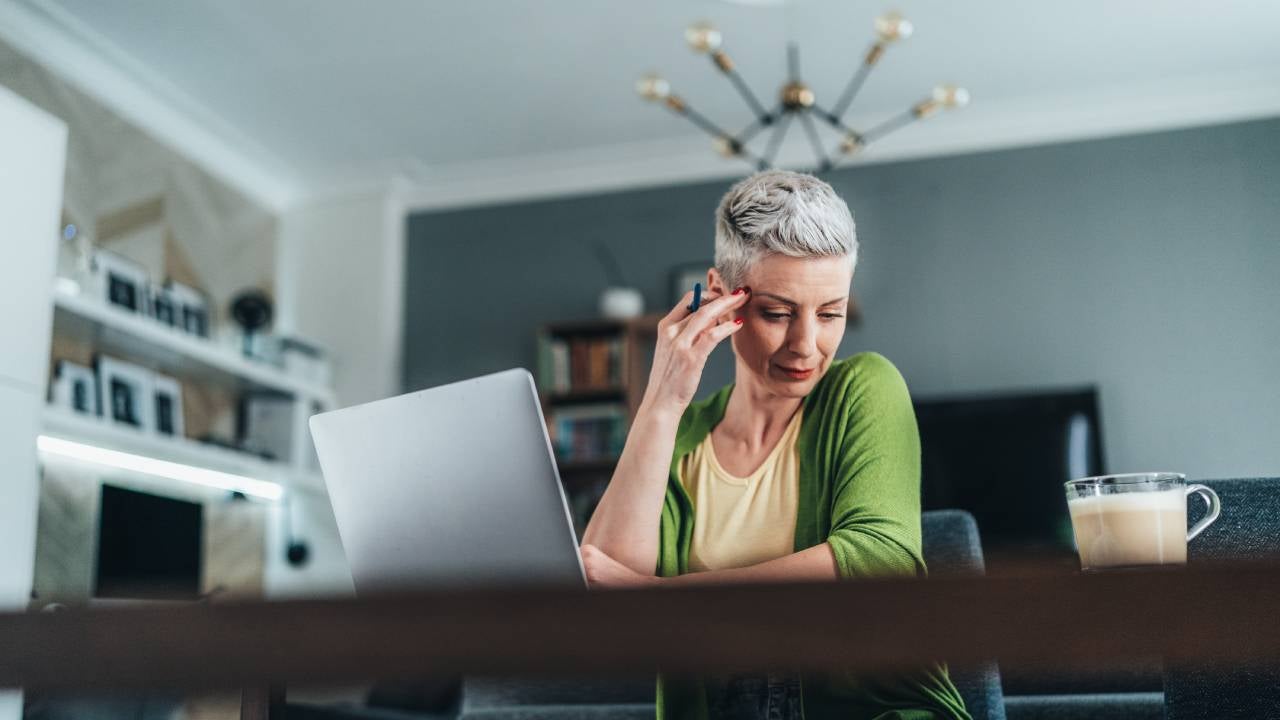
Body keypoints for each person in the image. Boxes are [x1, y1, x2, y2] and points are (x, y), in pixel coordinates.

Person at [580, 170, 970, 720]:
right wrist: (661, 403)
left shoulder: (866, 388)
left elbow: (880, 560)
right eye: (778, 313)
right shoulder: (680, 435)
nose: (806, 345)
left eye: (830, 313)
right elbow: (607, 585)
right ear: (720, 297)